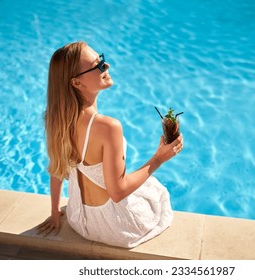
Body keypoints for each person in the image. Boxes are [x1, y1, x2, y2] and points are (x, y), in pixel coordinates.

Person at [37, 42, 184, 248]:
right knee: (156, 191)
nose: (107, 67)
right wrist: (159, 157)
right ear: (77, 83)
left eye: (102, 60)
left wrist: (55, 213)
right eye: (98, 66)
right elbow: (118, 192)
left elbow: (56, 170)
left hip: (79, 220)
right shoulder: (108, 127)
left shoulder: (57, 120)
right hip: (116, 229)